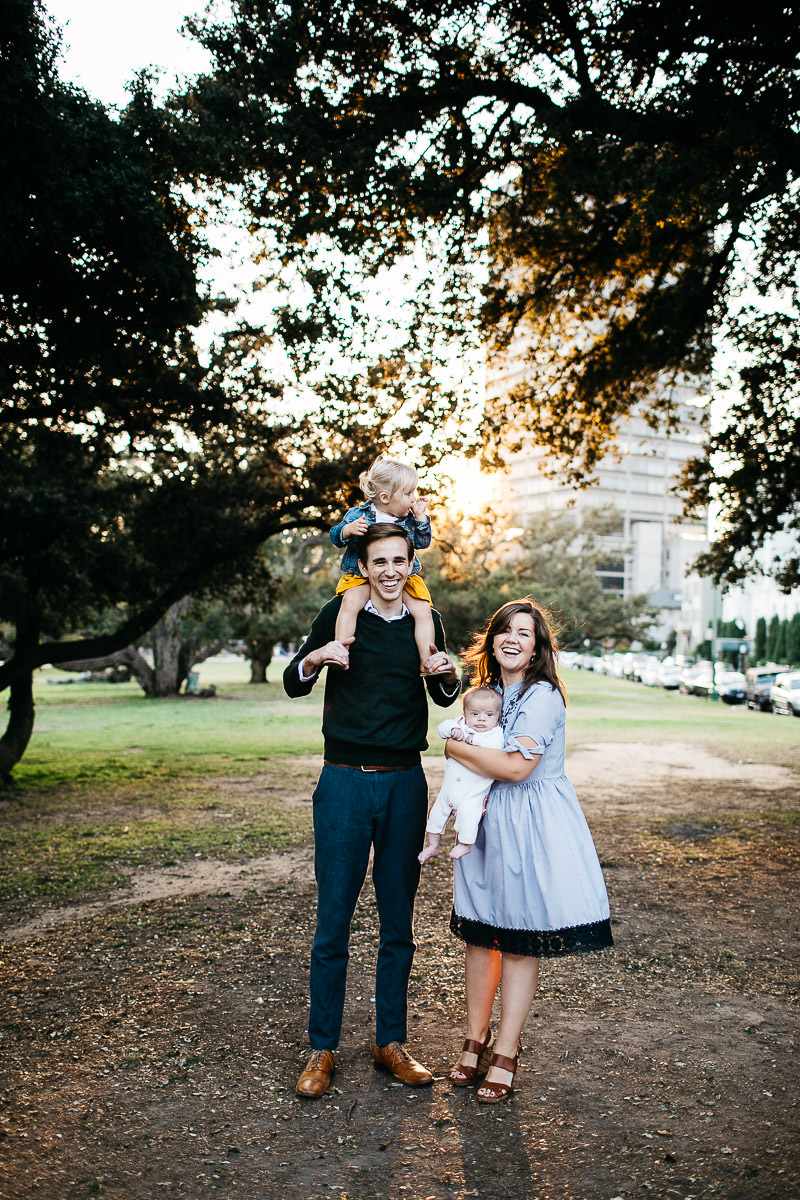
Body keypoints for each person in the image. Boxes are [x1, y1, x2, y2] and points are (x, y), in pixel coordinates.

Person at [283, 523, 461, 1098]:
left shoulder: (424, 619)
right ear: (364, 564)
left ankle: (390, 1043)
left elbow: (441, 692)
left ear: (412, 563)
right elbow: (292, 680)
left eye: (399, 560)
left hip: (404, 783)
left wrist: (450, 675)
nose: (389, 570)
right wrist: (317, 658)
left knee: (397, 924)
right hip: (343, 784)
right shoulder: (342, 610)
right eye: (379, 561)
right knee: (333, 921)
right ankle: (322, 1049)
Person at [444, 599, 613, 1103]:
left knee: (518, 937)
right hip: (486, 822)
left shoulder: (543, 696)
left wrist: (453, 746)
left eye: (526, 632)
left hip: (529, 824)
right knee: (480, 933)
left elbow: (517, 768)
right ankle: (475, 1040)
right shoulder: (488, 693)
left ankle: (507, 1051)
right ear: (493, 640)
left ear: (537, 646)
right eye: (505, 630)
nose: (513, 638)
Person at [329, 456, 443, 673]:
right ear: (385, 497)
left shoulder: (410, 518)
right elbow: (335, 536)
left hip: (404, 577)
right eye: (408, 493)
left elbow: (422, 542)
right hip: (361, 575)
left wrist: (420, 519)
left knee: (423, 610)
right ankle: (340, 652)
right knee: (350, 603)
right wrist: (348, 530)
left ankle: (427, 661)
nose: (413, 498)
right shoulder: (358, 514)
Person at [418, 686, 504, 864]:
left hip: (472, 793)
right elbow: (442, 727)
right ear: (464, 713)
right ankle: (433, 846)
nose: (481, 719)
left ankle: (466, 843)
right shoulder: (460, 724)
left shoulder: (495, 733)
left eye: (489, 715)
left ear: (498, 716)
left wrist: (474, 739)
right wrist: (451, 730)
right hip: (449, 790)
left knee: (469, 817)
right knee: (435, 816)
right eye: (475, 714)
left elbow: (496, 746)